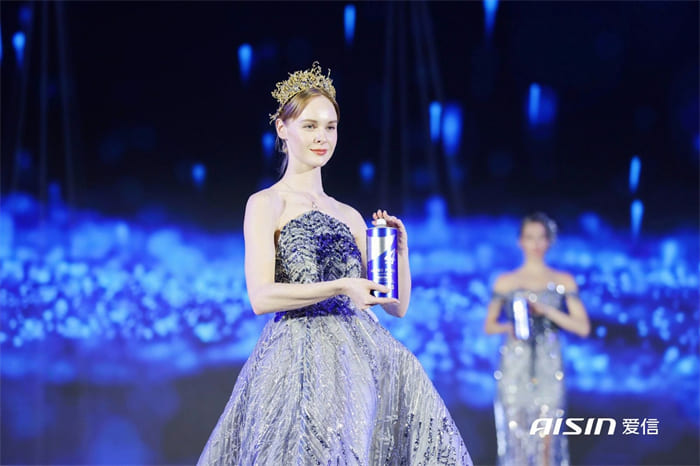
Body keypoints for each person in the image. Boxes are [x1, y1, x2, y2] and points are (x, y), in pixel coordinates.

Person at [198, 62, 471, 465]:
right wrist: (342, 286)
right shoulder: (266, 203)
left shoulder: (348, 214)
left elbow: (395, 306)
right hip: (295, 358)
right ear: (282, 129)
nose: (322, 137)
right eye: (309, 126)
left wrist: (400, 254)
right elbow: (261, 297)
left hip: (358, 361)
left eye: (330, 127)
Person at [484, 212, 591, 466]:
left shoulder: (563, 281)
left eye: (541, 237)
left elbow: (583, 327)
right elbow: (489, 325)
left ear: (550, 241)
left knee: (547, 442)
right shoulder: (505, 282)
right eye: (529, 237)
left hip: (549, 364)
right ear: (520, 241)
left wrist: (548, 311)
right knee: (516, 439)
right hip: (515, 364)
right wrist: (510, 327)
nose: (535, 243)